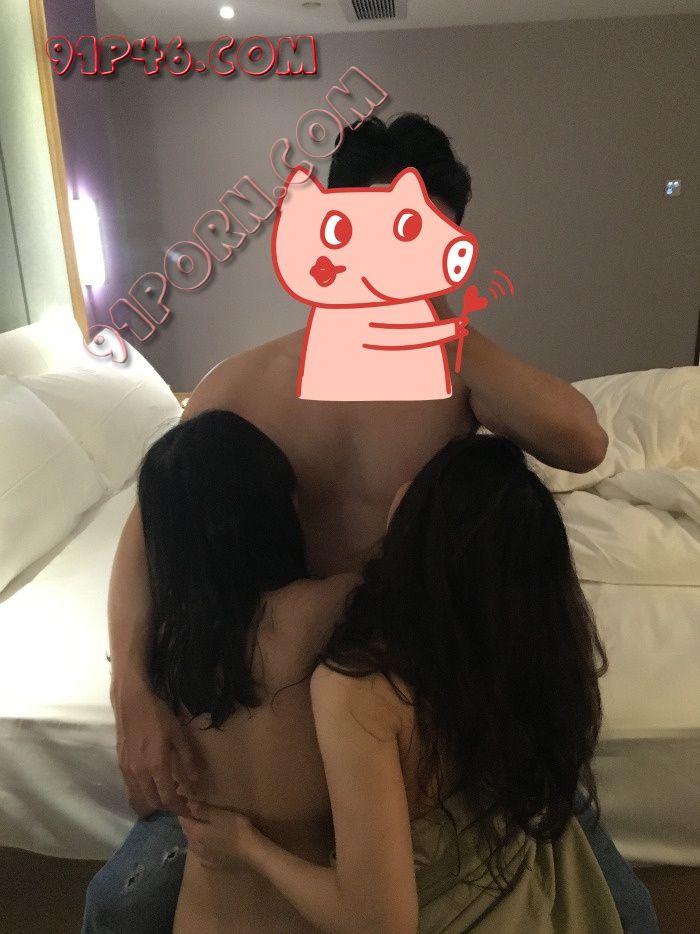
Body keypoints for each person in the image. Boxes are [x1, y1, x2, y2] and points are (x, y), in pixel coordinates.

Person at [83, 114, 656, 932]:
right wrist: (131, 690)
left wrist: (454, 340)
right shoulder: (244, 387)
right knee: (117, 906)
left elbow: (584, 442)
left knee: (627, 914)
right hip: (282, 713)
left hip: (424, 706)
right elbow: (149, 534)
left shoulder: (451, 370)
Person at [175, 432, 625, 933]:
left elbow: (378, 924)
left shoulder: (359, 687)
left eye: (420, 484)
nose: (400, 488)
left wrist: (247, 847)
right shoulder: (520, 638)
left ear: (424, 529)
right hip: (530, 881)